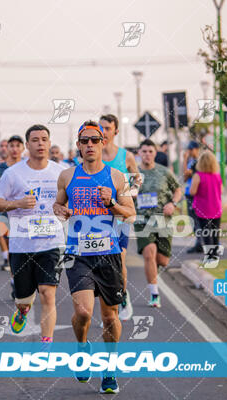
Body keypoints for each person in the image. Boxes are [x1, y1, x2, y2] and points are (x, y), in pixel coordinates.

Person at [54, 120, 136, 394]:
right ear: (78, 145)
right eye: (84, 140)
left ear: (103, 143)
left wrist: (111, 203)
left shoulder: (116, 177)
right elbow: (58, 203)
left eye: (94, 140)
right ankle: (82, 346)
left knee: (111, 317)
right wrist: (60, 210)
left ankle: (109, 369)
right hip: (78, 254)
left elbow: (130, 213)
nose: (90, 145)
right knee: (83, 311)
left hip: (109, 254)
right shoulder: (67, 176)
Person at [0, 124, 65, 346]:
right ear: (27, 145)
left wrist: (66, 210)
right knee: (23, 300)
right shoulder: (13, 174)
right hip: (22, 245)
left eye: (44, 139)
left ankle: (46, 344)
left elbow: (70, 202)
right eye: (35, 140)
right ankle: (22, 311)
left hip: (52, 242)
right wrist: (17, 204)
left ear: (49, 143)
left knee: (47, 293)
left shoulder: (61, 172)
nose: (40, 143)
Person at [99, 114, 139, 321]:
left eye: (107, 128)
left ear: (115, 131)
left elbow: (137, 177)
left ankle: (122, 296)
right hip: (96, 218)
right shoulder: (91, 156)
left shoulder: (126, 156)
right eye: (101, 128)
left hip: (120, 217)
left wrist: (132, 192)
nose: (104, 132)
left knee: (119, 259)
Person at [133, 140, 181, 308]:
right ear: (139, 153)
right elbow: (126, 195)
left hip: (163, 220)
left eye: (150, 151)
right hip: (142, 221)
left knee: (163, 260)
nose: (147, 154)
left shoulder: (164, 172)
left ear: (155, 153)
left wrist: (173, 204)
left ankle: (154, 271)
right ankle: (154, 294)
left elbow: (178, 189)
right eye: (144, 151)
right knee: (149, 253)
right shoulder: (134, 174)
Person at [0, 136, 24, 272]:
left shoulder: (27, 166)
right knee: (1, 233)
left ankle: (13, 263)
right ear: (7, 149)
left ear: (23, 148)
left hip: (22, 210)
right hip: (4, 207)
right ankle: (7, 258)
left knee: (15, 240)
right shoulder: (0, 168)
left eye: (18, 146)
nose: (15, 149)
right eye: (12, 146)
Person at [190, 151, 222, 248]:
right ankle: (215, 253)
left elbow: (192, 192)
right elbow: (221, 190)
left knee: (206, 234)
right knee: (215, 233)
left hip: (203, 209)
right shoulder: (217, 176)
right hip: (216, 208)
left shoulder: (198, 176)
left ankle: (210, 256)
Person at [184, 141, 203, 253]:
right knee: (192, 219)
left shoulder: (198, 162)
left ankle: (200, 243)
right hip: (189, 192)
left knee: (197, 218)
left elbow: (186, 173)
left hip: (195, 193)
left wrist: (185, 160)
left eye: (190, 150)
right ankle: (199, 242)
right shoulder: (191, 161)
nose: (189, 152)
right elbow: (185, 177)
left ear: (196, 149)